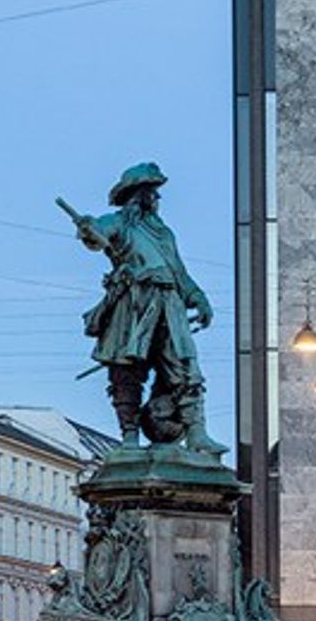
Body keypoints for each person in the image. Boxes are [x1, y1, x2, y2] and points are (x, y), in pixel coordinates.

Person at [72, 161, 218, 452]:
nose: (158, 199)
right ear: (139, 194)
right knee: (126, 370)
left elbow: (179, 272)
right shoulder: (119, 223)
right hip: (134, 302)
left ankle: (197, 433)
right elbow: (96, 234)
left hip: (169, 302)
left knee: (185, 364)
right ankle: (129, 435)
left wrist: (198, 297)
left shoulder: (164, 234)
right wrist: (89, 228)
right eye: (153, 191)